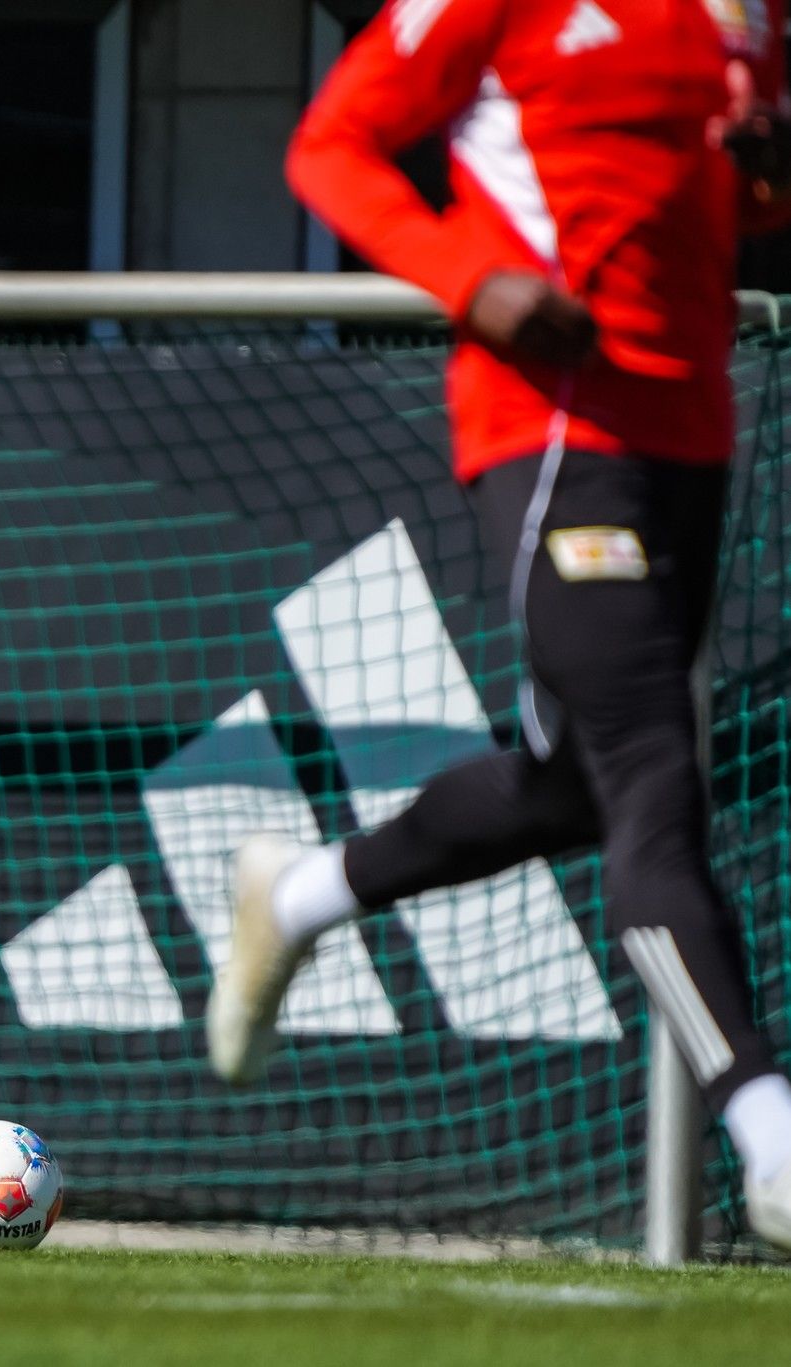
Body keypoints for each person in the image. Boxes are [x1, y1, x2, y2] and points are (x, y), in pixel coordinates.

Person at [207, 0, 791, 1248]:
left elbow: (734, 204)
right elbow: (329, 147)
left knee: (573, 784)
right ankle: (773, 1137)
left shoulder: (747, 13)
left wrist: (767, 172)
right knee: (650, 769)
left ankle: (300, 892)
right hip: (556, 428)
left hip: (690, 436)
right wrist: (470, 281)